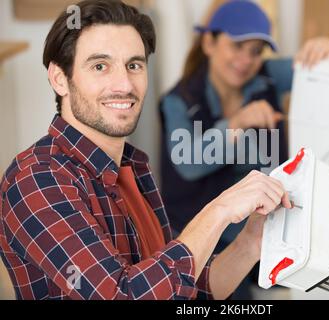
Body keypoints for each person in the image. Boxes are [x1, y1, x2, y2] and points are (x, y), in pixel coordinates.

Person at [0, 0, 292, 300]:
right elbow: (124, 296)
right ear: (59, 78)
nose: (124, 84)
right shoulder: (36, 180)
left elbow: (183, 290)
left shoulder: (133, 170)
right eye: (100, 66)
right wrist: (219, 211)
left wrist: (250, 243)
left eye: (134, 65)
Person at [159, 0, 329, 250]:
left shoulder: (268, 75)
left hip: (264, 227)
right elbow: (188, 162)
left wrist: (327, 47)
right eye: (237, 46)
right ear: (209, 43)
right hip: (201, 235)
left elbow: (323, 68)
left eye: (256, 51)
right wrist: (237, 123)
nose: (246, 59)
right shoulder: (178, 100)